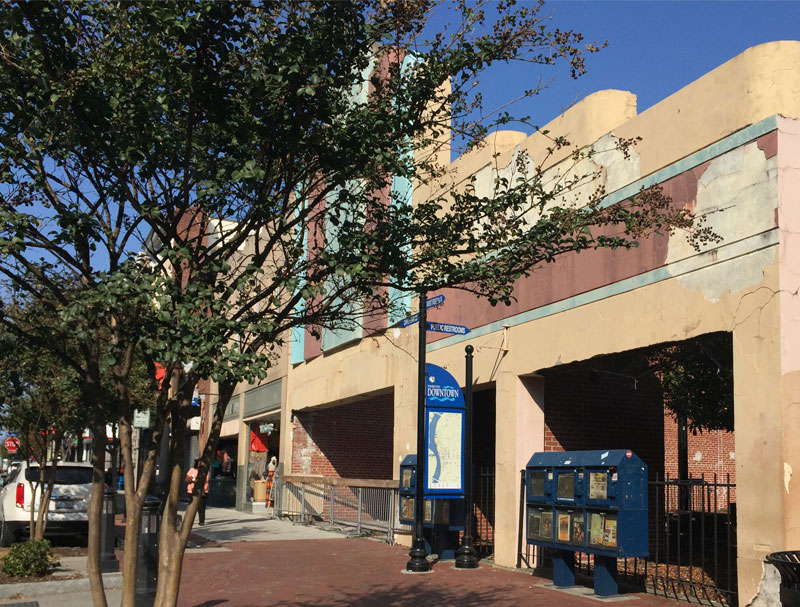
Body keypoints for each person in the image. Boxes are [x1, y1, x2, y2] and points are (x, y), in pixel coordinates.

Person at [185, 459, 210, 526]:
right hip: (192, 491)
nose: (201, 465)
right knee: (192, 506)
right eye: (199, 463)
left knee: (201, 507)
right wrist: (193, 479)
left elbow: (206, 480)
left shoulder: (206, 471)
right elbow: (187, 479)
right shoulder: (192, 470)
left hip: (203, 491)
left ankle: (201, 521)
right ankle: (189, 520)